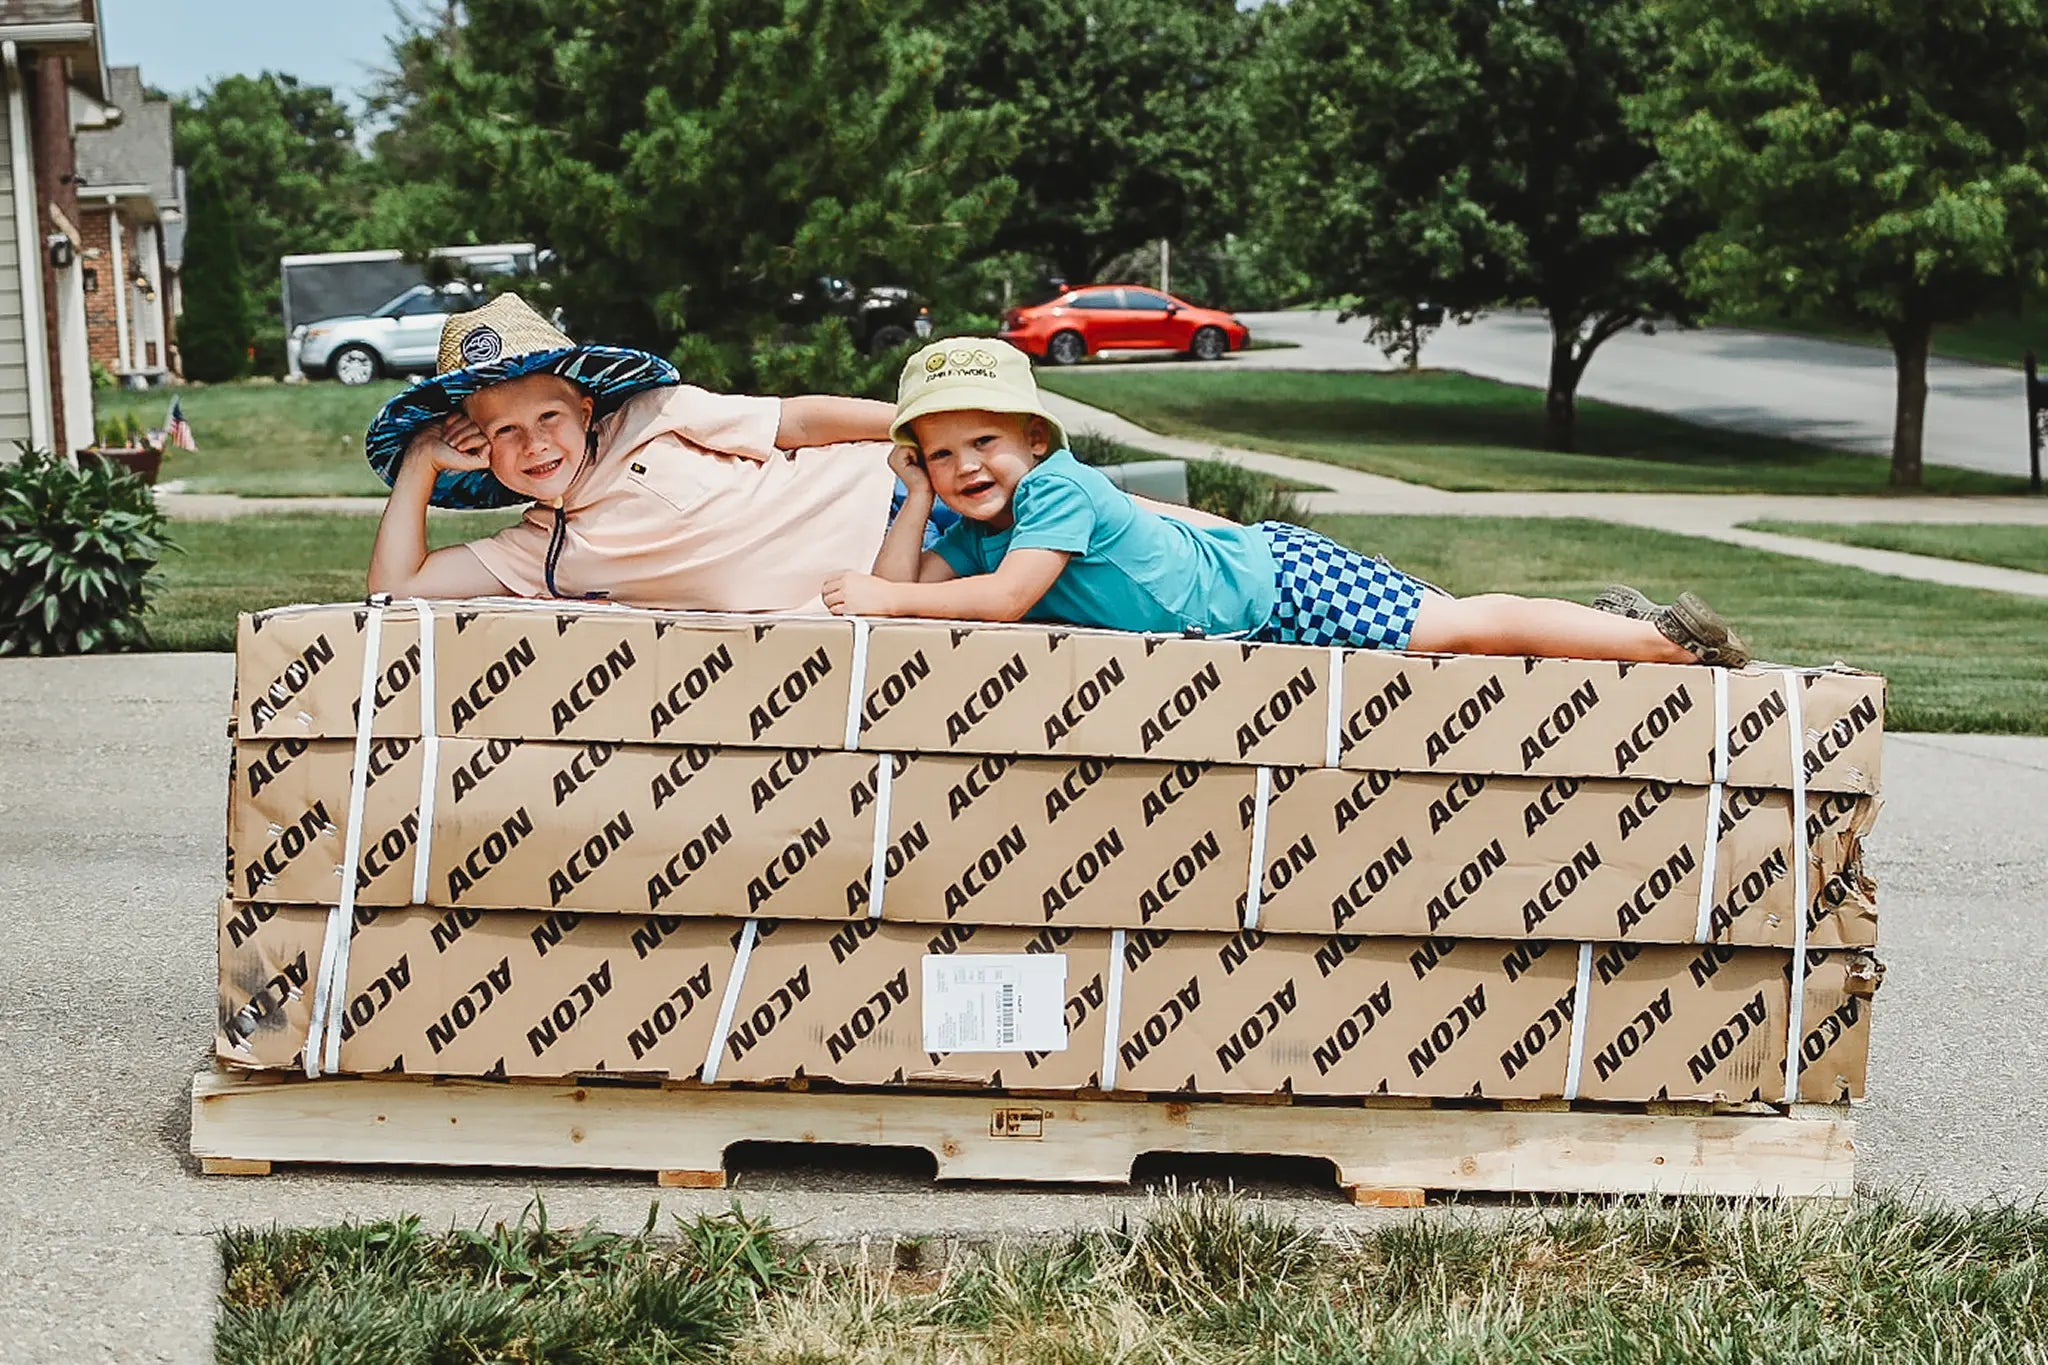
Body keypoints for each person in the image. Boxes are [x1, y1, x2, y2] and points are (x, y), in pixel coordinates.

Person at [822, 339, 1751, 666]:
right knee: (1453, 633)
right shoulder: (969, 534)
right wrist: (911, 500)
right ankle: (1617, 626)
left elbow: (994, 603)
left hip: (1277, 585)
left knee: (1461, 629)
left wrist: (888, 596)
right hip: (1246, 615)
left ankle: (1664, 641)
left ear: (1033, 440)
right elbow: (898, 592)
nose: (966, 467)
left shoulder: (1054, 492)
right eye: (942, 454)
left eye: (983, 442)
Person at [363, 292, 927, 611]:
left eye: (549, 417)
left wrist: (921, 430)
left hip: (889, 487)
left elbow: (795, 422)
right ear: (479, 446)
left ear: (585, 411)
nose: (534, 443)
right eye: (504, 432)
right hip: (876, 586)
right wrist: (421, 463)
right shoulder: (538, 553)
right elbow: (395, 589)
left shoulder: (652, 414)